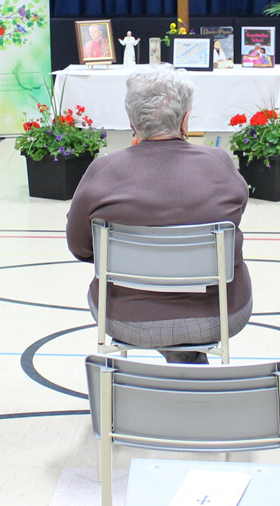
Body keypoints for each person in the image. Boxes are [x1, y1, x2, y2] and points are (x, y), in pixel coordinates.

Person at [66, 66, 253, 365]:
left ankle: (180, 364)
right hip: (218, 314)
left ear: (131, 120)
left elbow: (80, 247)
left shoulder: (102, 172)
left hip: (125, 317)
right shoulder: (220, 164)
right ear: (185, 119)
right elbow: (237, 213)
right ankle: (187, 364)